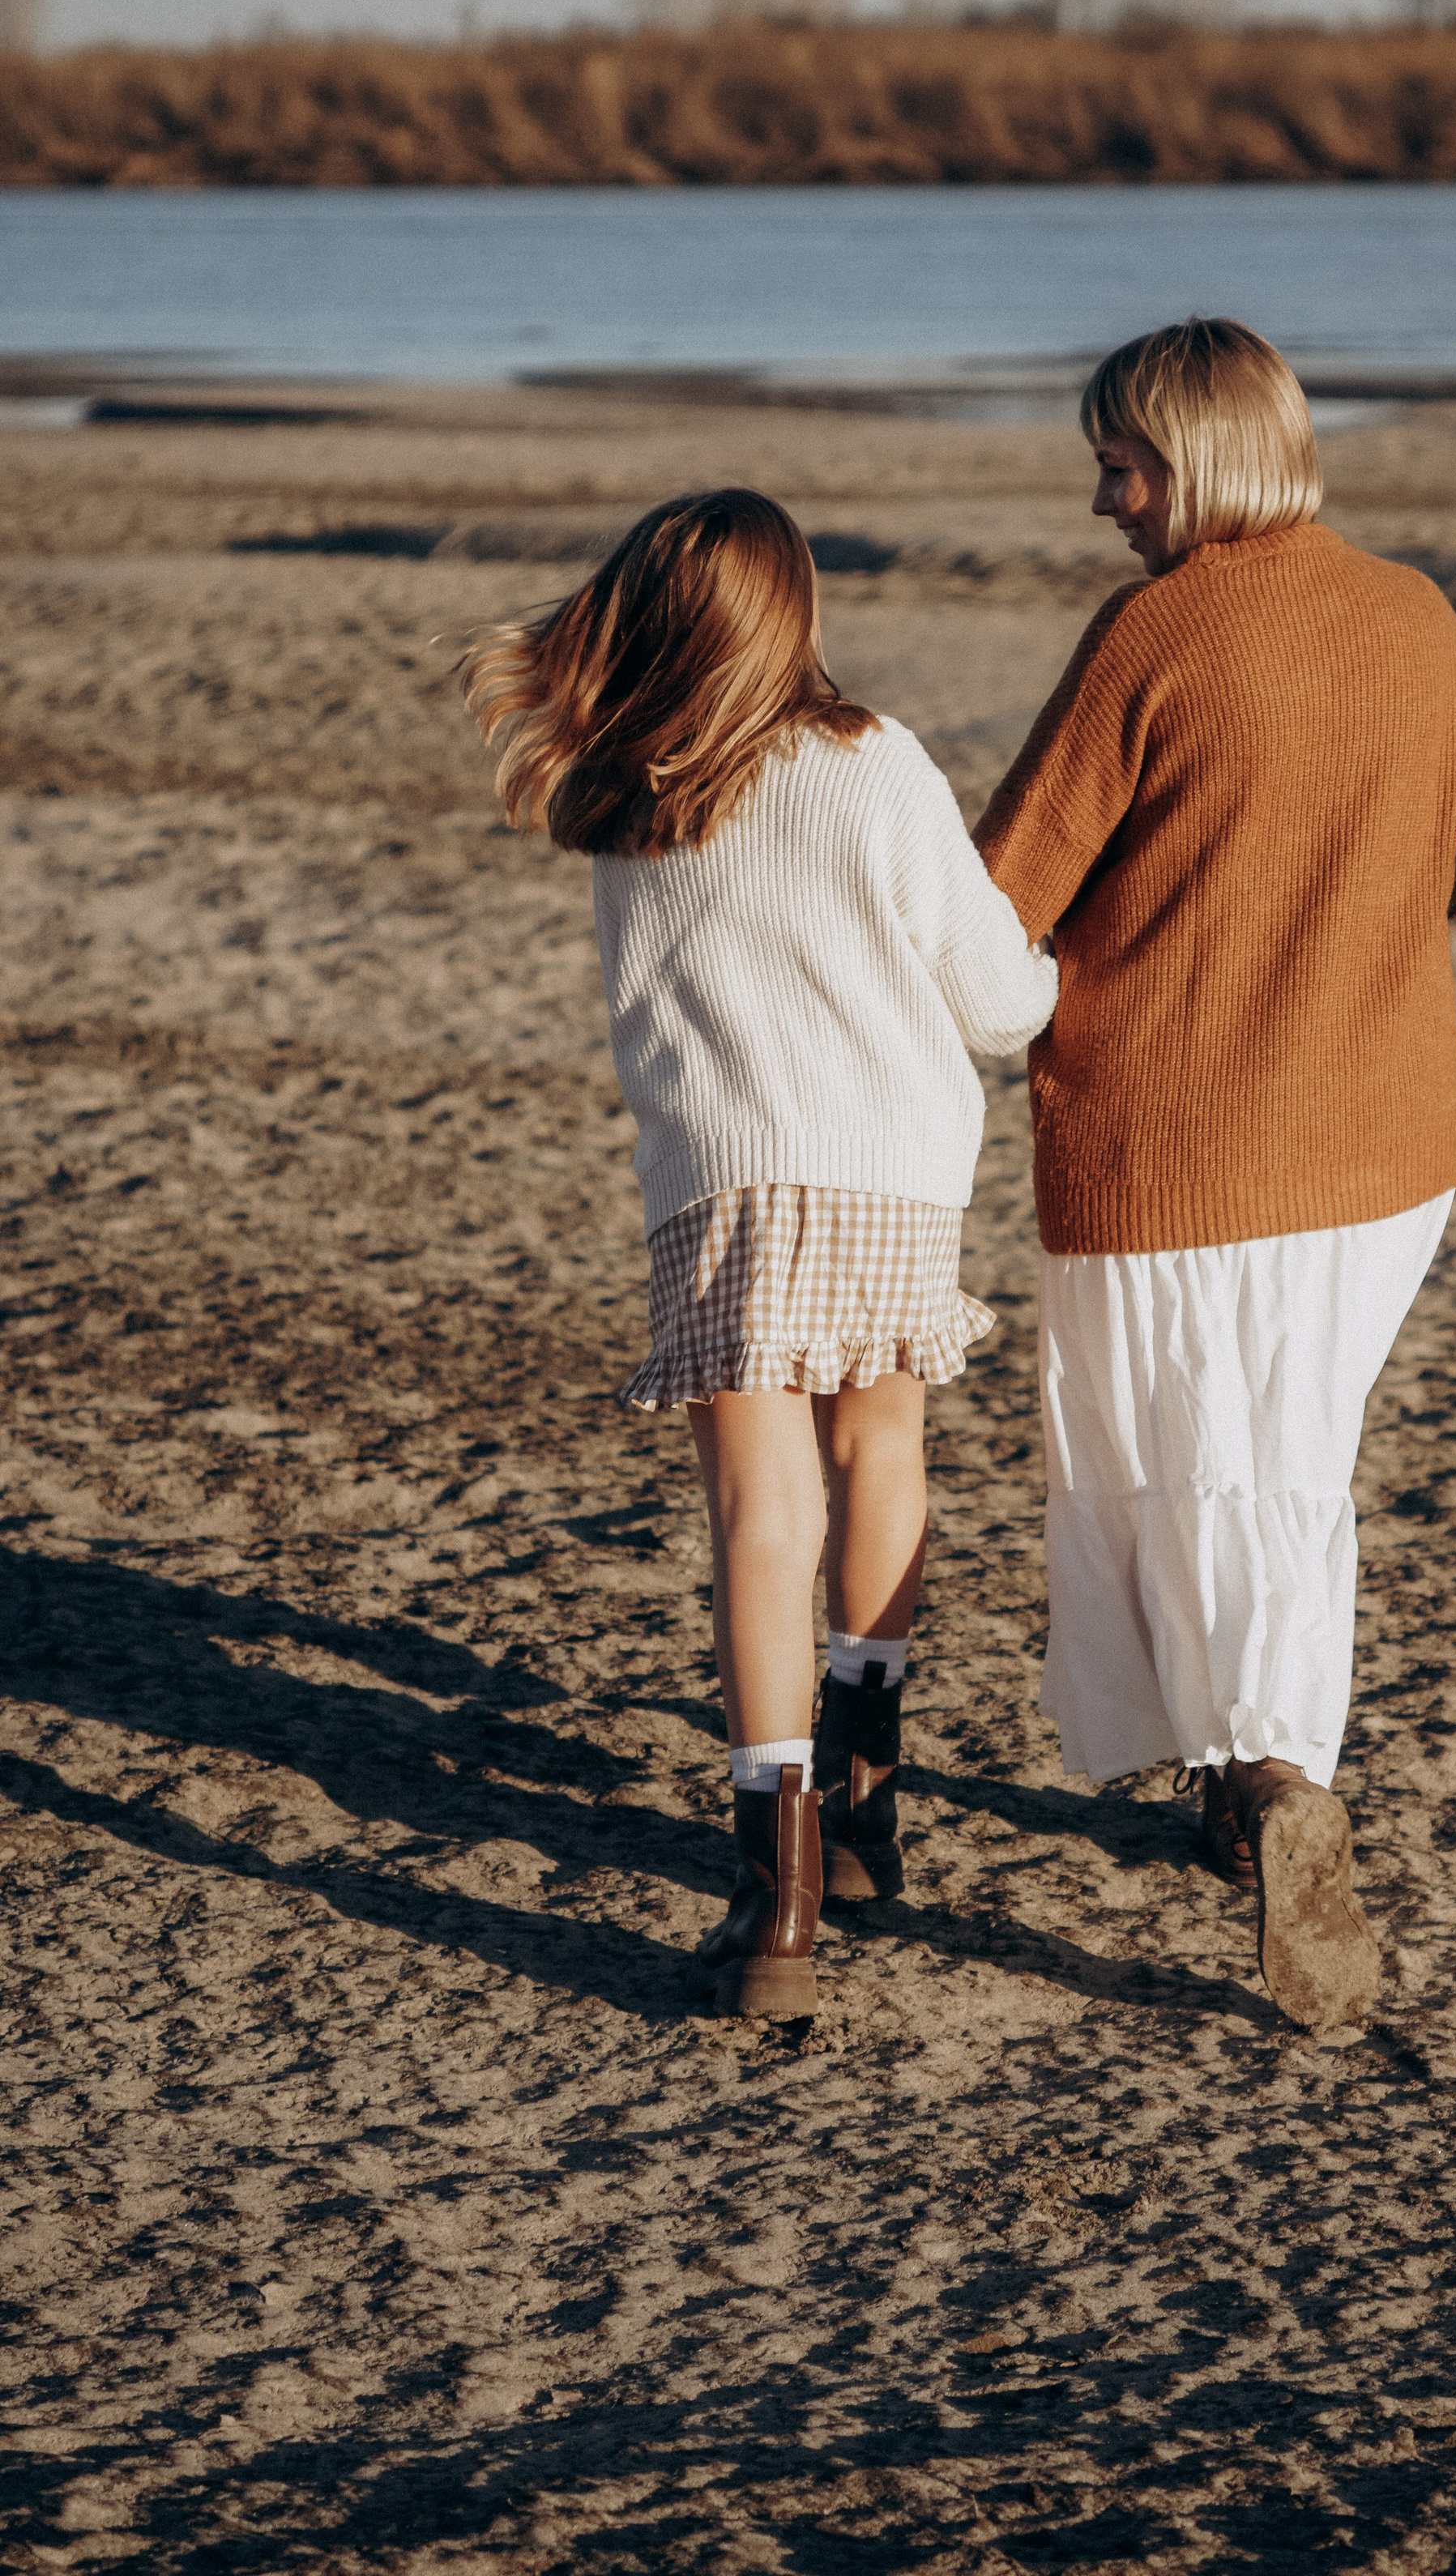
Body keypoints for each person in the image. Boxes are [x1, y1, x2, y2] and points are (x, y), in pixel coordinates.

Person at [976, 320, 1456, 2031]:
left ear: (1205, 459)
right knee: (1284, 1455)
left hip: (1173, 1139)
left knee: (1182, 1466)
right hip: (1383, 1150)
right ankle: (1255, 1776)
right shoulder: (1413, 616)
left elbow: (999, 891)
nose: (1100, 501)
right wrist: (1353, 911)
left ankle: (1275, 1780)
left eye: (1122, 464)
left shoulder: (1156, 633)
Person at [464, 491, 1056, 2018]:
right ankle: (866, 1823)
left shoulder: (630, 796)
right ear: (794, 612)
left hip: (722, 1185)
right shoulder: (878, 764)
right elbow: (1000, 1001)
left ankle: (773, 1894)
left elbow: (644, 1022)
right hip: (893, 1174)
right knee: (882, 1456)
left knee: (756, 1512)